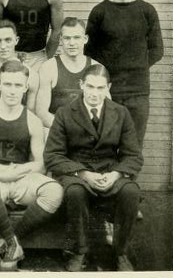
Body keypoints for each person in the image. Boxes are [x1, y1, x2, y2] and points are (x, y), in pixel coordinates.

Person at [0, 60, 63, 271]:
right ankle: (12, 245)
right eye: (7, 84)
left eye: (18, 85)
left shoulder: (32, 120)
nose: (12, 91)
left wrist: (17, 171)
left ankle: (8, 243)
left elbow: (41, 164)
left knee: (55, 190)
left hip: (19, 177)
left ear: (26, 88)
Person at [44, 64, 143, 271]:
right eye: (90, 87)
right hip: (77, 173)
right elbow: (52, 156)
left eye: (100, 88)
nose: (94, 94)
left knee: (131, 191)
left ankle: (121, 252)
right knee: (75, 192)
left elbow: (133, 155)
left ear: (108, 87)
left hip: (110, 171)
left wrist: (116, 174)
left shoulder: (121, 113)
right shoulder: (65, 113)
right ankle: (80, 251)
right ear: (81, 85)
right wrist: (82, 173)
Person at [85, 0, 163, 152]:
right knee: (105, 143)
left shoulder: (147, 11)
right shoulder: (99, 12)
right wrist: (104, 81)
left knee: (133, 146)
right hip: (108, 91)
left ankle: (128, 183)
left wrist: (136, 67)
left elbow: (157, 50)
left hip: (138, 91)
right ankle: (107, 183)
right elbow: (90, 52)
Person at [36, 17, 99, 129]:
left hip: (87, 133)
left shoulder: (96, 68)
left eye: (76, 38)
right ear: (61, 39)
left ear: (85, 39)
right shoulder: (48, 68)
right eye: (67, 38)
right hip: (57, 131)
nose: (72, 43)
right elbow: (42, 113)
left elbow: (104, 110)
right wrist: (67, 131)